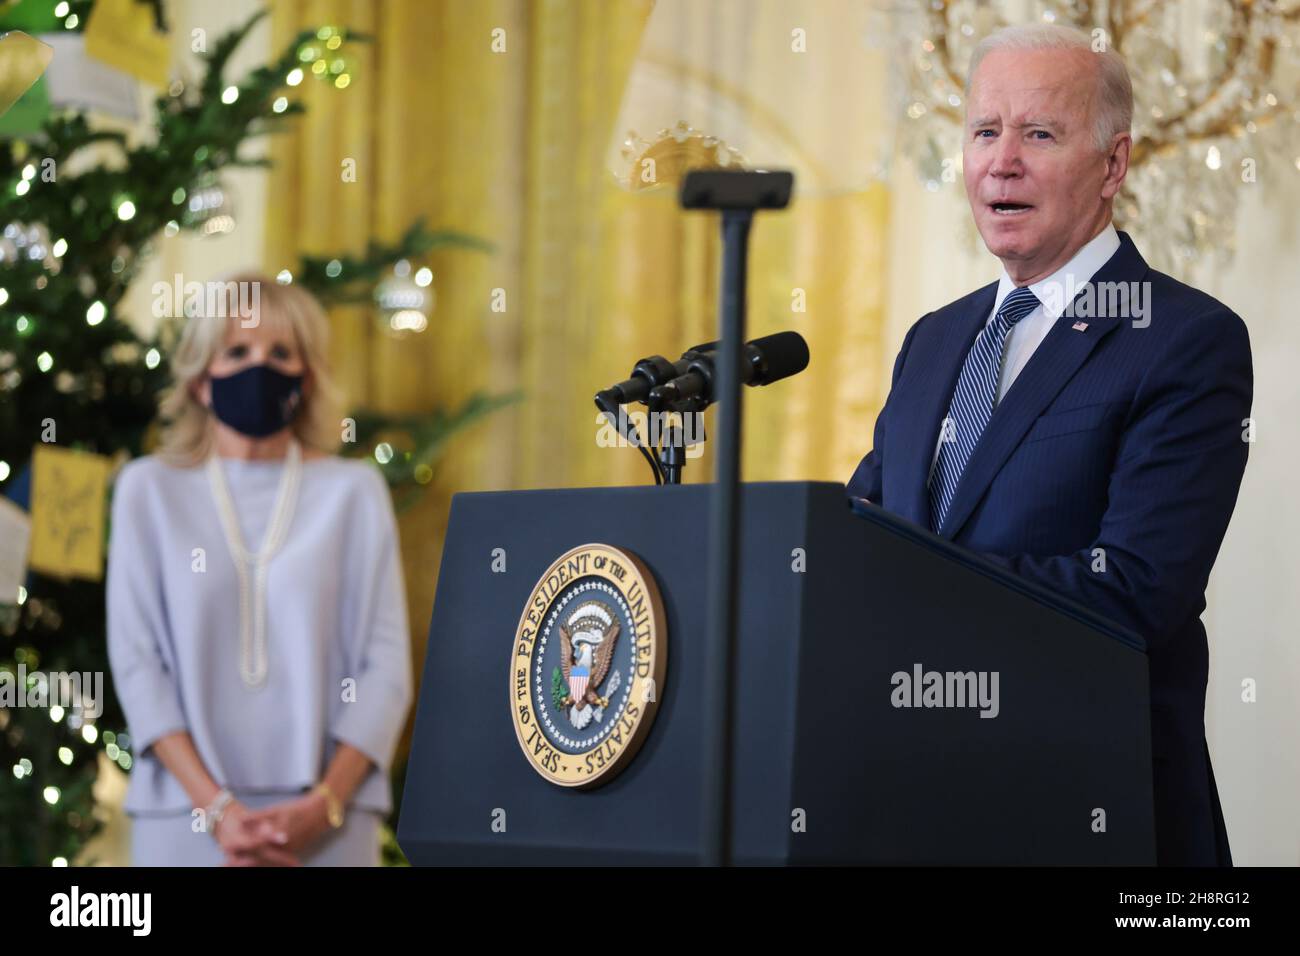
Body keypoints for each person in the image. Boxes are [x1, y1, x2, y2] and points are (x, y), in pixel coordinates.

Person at [847, 24, 1251, 866]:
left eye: (1039, 134)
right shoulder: (932, 341)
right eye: (984, 132)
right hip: (916, 812)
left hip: (1096, 818)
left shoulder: (1183, 339)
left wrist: (916, 585)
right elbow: (864, 541)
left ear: (1113, 165)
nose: (1002, 161)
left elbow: (1137, 591)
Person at [107, 274, 413, 865]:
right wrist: (217, 810)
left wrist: (325, 803)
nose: (260, 367)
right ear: (200, 379)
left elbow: (386, 667)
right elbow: (136, 661)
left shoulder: (354, 492)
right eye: (237, 352)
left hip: (330, 820)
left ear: (305, 375)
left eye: (281, 353)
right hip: (184, 817)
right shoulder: (148, 490)